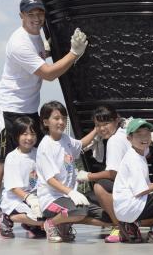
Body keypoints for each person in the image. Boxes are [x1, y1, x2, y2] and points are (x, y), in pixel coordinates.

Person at [0, 0, 89, 233]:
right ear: (21, 16)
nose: (36, 18)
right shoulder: (19, 42)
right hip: (6, 108)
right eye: (30, 14)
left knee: (33, 162)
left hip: (29, 108)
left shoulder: (36, 36)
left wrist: (55, 47)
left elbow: (41, 55)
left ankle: (33, 213)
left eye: (39, 13)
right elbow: (49, 74)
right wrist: (73, 53)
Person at [36, 101, 107, 243]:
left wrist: (96, 129)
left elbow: (80, 145)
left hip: (69, 198)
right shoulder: (45, 146)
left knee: (106, 214)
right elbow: (50, 179)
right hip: (52, 198)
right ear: (45, 122)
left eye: (64, 118)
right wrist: (71, 192)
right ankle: (50, 224)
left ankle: (64, 223)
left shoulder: (65, 139)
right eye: (56, 118)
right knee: (79, 211)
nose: (61, 122)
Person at [76, 105, 130, 243]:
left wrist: (87, 176)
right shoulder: (126, 132)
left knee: (97, 189)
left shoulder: (114, 141)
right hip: (134, 184)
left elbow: (112, 173)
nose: (101, 129)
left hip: (128, 189)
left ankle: (119, 226)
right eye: (97, 125)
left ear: (116, 120)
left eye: (106, 123)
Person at [0, 116, 46, 239]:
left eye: (33, 134)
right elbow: (13, 188)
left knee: (50, 214)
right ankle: (7, 217)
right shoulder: (12, 157)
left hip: (35, 197)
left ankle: (31, 225)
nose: (29, 138)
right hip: (17, 199)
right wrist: (29, 198)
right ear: (17, 136)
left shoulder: (38, 153)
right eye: (25, 134)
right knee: (41, 219)